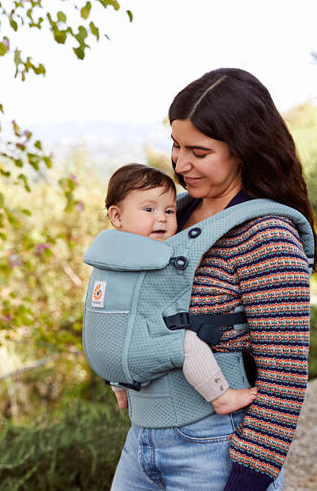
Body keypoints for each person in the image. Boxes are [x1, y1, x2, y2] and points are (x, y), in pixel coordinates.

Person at [93, 68, 317, 491]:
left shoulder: (266, 235)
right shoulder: (171, 215)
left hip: (216, 454)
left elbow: (285, 380)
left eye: (198, 151)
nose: (179, 164)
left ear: (243, 148)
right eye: (175, 145)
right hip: (142, 444)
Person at [104, 161, 258, 414]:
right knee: (188, 343)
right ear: (117, 216)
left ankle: (121, 392)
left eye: (169, 211)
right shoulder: (150, 253)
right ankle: (221, 397)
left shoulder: (108, 252)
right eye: (148, 209)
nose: (161, 219)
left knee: (110, 341)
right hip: (141, 335)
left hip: (118, 341)